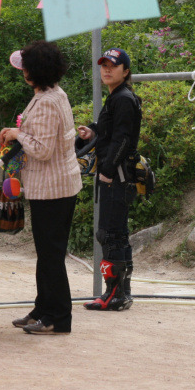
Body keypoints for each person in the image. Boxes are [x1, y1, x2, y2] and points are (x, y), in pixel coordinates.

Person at [0, 42, 82, 335]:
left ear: (35, 71)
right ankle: (43, 308)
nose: (22, 71)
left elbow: (43, 149)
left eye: (26, 66)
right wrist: (17, 133)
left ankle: (57, 316)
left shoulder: (47, 101)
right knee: (47, 252)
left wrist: (17, 133)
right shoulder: (52, 94)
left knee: (51, 254)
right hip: (55, 185)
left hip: (53, 187)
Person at [76, 48, 142, 312]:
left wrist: (107, 169)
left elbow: (123, 139)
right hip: (120, 174)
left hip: (116, 175)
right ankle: (121, 294)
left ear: (125, 72)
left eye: (113, 66)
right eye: (103, 65)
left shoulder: (123, 98)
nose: (106, 70)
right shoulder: (118, 97)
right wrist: (92, 131)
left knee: (110, 235)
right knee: (118, 235)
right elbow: (112, 130)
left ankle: (114, 295)